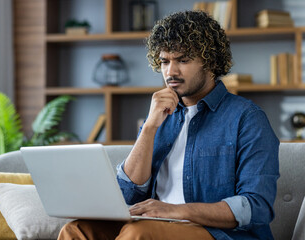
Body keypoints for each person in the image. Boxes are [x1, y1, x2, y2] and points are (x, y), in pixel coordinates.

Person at [58, 10, 279, 240]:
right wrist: (150, 127)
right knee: (75, 230)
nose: (170, 72)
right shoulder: (160, 115)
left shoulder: (247, 118)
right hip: (155, 224)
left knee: (138, 232)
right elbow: (126, 195)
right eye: (164, 61)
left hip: (217, 233)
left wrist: (175, 211)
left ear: (210, 61)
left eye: (183, 60)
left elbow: (256, 206)